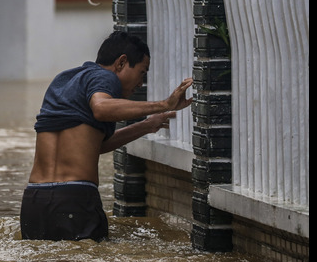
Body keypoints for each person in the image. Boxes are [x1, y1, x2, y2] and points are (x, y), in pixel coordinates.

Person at [20, 31, 193, 242]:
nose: (140, 83)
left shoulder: (63, 81)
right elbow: (101, 108)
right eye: (142, 72)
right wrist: (164, 104)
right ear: (121, 63)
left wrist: (147, 125)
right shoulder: (105, 77)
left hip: (35, 199)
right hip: (74, 198)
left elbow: (94, 146)